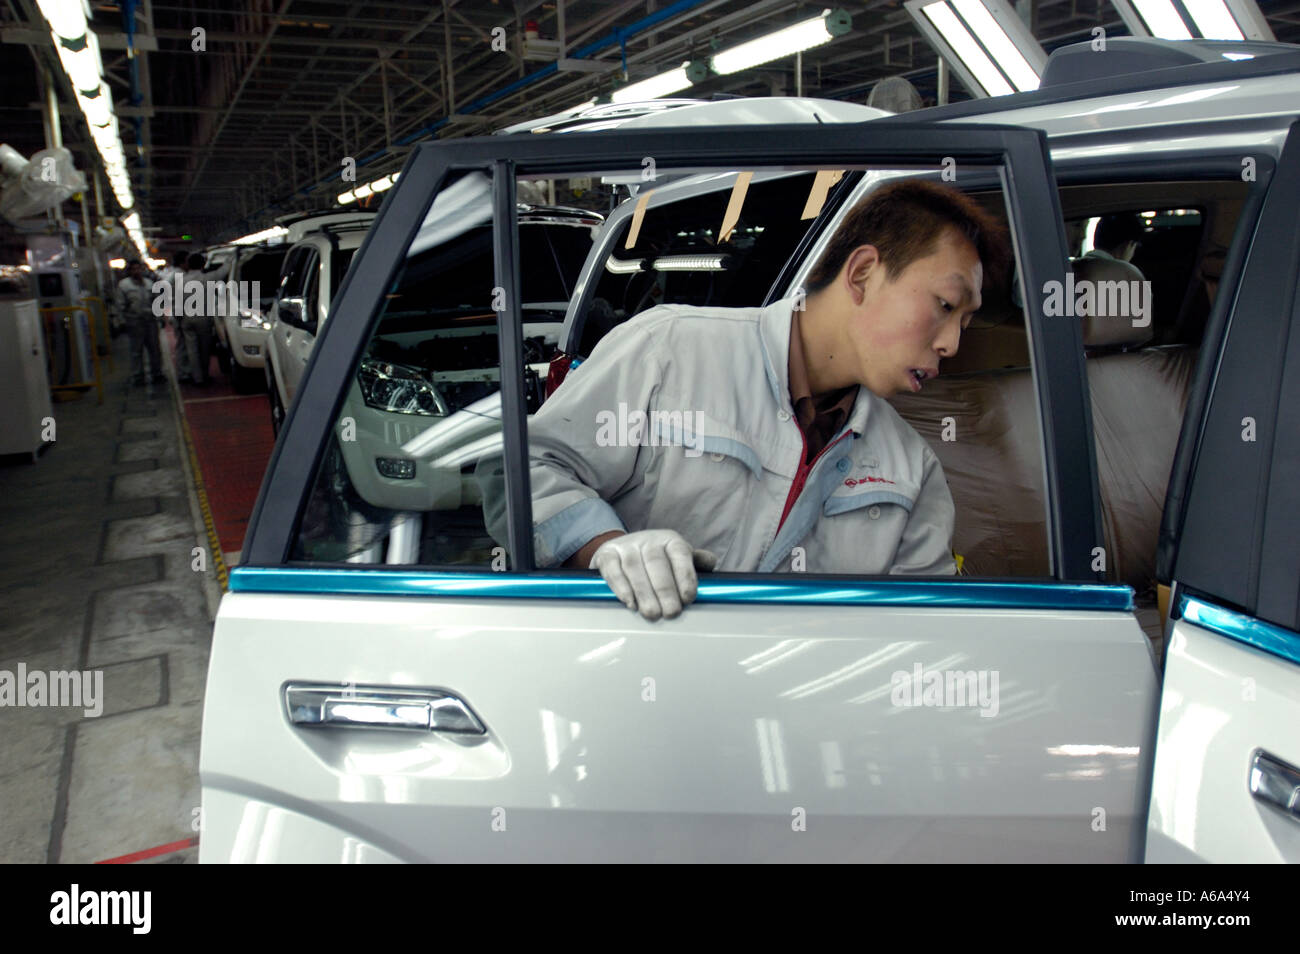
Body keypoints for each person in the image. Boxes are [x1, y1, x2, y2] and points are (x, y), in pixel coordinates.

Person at [490, 178, 1009, 620]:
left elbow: (923, 632)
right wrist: (602, 547)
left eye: (965, 322)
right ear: (863, 274)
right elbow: (519, 473)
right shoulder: (668, 352)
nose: (951, 344)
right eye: (946, 305)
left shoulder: (910, 470)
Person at [114, 259, 162, 385]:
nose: (137, 271)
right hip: (134, 322)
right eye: (133, 269)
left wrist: (160, 317)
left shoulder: (149, 283)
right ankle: (138, 376)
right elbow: (120, 305)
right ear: (129, 271)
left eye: (139, 268)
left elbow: (156, 301)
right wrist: (122, 321)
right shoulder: (124, 285)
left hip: (150, 321)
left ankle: (157, 373)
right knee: (136, 350)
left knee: (155, 349)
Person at [180, 252, 222, 385]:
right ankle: (204, 375)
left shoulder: (181, 280)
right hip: (203, 319)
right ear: (203, 264)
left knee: (192, 350)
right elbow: (223, 272)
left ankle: (197, 378)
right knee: (204, 349)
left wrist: (179, 319)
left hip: (187, 319)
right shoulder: (207, 278)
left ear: (188, 265)